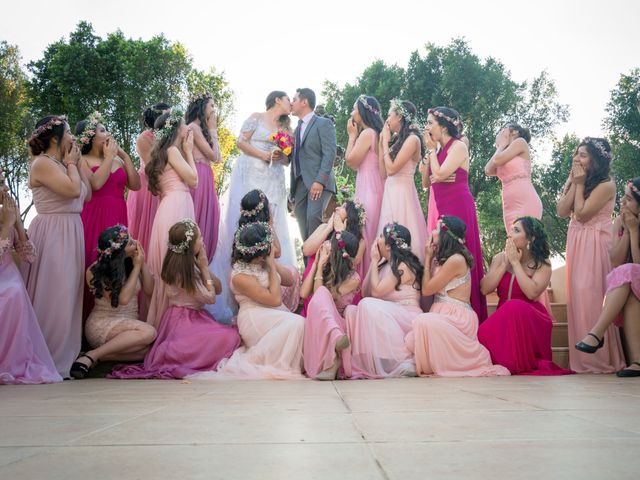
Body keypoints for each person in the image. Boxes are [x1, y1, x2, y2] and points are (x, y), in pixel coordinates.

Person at [111, 219, 240, 379]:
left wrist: (201, 266)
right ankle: (178, 354)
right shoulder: (180, 272)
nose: (203, 240)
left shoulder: (192, 263)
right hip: (183, 322)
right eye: (199, 238)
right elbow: (211, 297)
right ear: (190, 245)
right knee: (230, 337)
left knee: (231, 334)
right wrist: (205, 268)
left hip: (196, 319)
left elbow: (218, 288)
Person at [207, 92, 296, 323]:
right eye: (288, 100)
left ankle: (272, 287)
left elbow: (288, 160)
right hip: (253, 173)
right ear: (277, 100)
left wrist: (280, 155)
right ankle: (244, 292)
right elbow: (240, 142)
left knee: (272, 220)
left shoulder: (286, 128)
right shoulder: (256, 117)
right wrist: (264, 154)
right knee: (249, 219)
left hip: (273, 176)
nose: (291, 104)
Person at [23, 115, 92, 378]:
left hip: (72, 230)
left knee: (69, 295)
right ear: (54, 138)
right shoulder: (42, 163)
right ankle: (47, 355)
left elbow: (87, 192)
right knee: (55, 293)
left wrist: (76, 163)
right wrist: (72, 164)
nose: (72, 138)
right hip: (53, 233)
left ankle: (64, 355)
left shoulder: (62, 163)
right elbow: (72, 191)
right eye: (68, 133)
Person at [191, 222, 305, 380]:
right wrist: (271, 266)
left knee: (300, 324)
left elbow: (289, 280)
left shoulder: (263, 262)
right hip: (255, 317)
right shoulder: (239, 276)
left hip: (274, 315)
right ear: (258, 251)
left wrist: (272, 263)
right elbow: (275, 299)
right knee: (297, 323)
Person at [407, 216, 510, 377]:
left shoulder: (456, 260)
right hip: (441, 313)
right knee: (412, 339)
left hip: (458, 318)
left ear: (445, 235)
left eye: (436, 228)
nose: (433, 231)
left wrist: (427, 258)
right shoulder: (441, 259)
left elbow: (426, 290)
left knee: (422, 322)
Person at [557, 137, 625, 373]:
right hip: (576, 239)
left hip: (596, 241)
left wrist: (580, 182)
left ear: (596, 160)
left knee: (592, 295)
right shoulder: (577, 178)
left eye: (583, 155)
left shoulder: (607, 184)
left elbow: (584, 213)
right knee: (577, 295)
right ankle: (582, 359)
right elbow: (562, 210)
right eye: (576, 153)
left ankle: (600, 358)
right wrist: (576, 183)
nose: (576, 158)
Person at [478, 217, 573, 375]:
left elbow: (532, 293)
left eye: (516, 230)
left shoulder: (543, 264)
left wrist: (516, 263)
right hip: (504, 317)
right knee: (482, 332)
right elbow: (484, 289)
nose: (509, 234)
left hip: (530, 318)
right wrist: (505, 264)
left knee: (514, 305)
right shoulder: (499, 258)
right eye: (511, 229)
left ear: (531, 238)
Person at [422, 107, 487, 322]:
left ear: (443, 125)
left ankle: (469, 315)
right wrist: (430, 158)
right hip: (441, 208)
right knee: (441, 254)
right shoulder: (438, 151)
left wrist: (434, 159)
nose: (427, 127)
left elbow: (439, 174)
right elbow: (426, 183)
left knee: (461, 252)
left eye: (430, 122)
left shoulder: (458, 146)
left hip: (458, 206)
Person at [76, 111, 141, 319]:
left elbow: (136, 185)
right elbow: (95, 184)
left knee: (119, 260)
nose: (108, 132)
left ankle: (115, 316)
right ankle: (86, 320)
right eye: (102, 130)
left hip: (118, 214)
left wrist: (124, 156)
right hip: (94, 215)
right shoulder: (82, 160)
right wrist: (110, 157)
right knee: (92, 258)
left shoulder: (118, 161)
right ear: (91, 138)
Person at [70, 225, 156, 379]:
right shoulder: (94, 271)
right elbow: (122, 300)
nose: (135, 242)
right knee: (150, 332)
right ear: (119, 251)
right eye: (130, 242)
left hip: (128, 327)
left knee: (148, 350)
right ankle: (92, 354)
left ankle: (98, 357)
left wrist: (141, 263)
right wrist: (137, 268)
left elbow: (150, 290)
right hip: (103, 324)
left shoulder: (132, 261)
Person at [575, 178, 640, 377]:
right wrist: (627, 230)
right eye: (623, 197)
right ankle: (638, 361)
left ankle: (597, 332)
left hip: (635, 273)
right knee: (627, 288)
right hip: (634, 282)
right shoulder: (620, 222)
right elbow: (615, 261)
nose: (622, 203)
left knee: (628, 271)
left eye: (628, 199)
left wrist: (635, 230)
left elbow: (637, 265)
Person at [0, 175, 62, 385]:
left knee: (15, 292)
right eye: (0, 183)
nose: (6, 188)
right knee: (10, 293)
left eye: (4, 182)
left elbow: (29, 257)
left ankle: (13, 362)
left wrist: (17, 224)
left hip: (8, 274)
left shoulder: (7, 213)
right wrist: (6, 224)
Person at [205, 189, 300, 322]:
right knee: (291, 274)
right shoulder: (260, 233)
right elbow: (277, 252)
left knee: (290, 274)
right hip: (257, 283)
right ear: (265, 210)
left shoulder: (242, 232)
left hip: (258, 275)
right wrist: (270, 224)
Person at [343, 223, 423, 378]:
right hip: (391, 313)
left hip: (407, 316)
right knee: (352, 311)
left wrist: (373, 261)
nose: (376, 240)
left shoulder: (404, 265)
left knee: (367, 305)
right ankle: (364, 361)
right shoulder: (385, 264)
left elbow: (377, 291)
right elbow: (366, 292)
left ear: (388, 245)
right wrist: (376, 263)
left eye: (380, 237)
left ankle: (404, 358)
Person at [145, 109, 198, 328]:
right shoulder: (174, 151)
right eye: (185, 124)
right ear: (177, 128)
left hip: (167, 207)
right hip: (178, 205)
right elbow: (193, 179)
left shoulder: (161, 153)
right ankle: (175, 325)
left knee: (170, 262)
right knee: (178, 262)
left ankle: (167, 322)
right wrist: (188, 150)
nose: (188, 128)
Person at [301, 230, 361, 380]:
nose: (327, 243)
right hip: (322, 323)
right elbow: (304, 294)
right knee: (321, 293)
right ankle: (335, 341)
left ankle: (334, 357)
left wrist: (320, 268)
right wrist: (317, 264)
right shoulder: (325, 265)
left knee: (322, 292)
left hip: (339, 322)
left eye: (331, 241)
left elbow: (323, 294)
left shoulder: (353, 278)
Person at [377, 99, 427, 262]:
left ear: (399, 117)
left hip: (402, 195)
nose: (387, 119)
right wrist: (381, 144)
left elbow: (392, 169)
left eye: (389, 114)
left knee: (402, 231)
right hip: (390, 192)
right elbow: (384, 173)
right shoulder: (398, 140)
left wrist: (385, 143)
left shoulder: (413, 140)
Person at [299, 200, 365, 316]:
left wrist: (341, 232)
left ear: (351, 216)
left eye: (343, 207)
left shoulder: (359, 241)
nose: (337, 208)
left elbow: (352, 263)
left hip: (337, 282)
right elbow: (306, 250)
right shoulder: (324, 227)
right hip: (314, 274)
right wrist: (329, 229)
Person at [290, 87, 337, 241]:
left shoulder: (323, 123)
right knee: (303, 226)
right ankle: (309, 264)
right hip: (300, 184)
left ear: (304, 102)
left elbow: (330, 153)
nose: (291, 103)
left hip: (318, 182)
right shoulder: (296, 130)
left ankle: (320, 264)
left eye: (294, 99)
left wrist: (320, 180)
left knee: (314, 220)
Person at [345, 94, 385, 275]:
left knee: (365, 236)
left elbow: (350, 160)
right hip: (376, 189)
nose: (352, 112)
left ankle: (364, 284)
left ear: (362, 112)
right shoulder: (377, 134)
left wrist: (351, 136)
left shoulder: (367, 133)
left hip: (368, 191)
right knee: (372, 234)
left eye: (354, 108)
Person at [127, 102, 170, 254]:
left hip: (165, 185)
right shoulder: (143, 138)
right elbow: (152, 166)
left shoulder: (168, 137)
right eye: (168, 115)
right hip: (146, 187)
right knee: (144, 226)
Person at [485, 123, 543, 232]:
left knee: (526, 238)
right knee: (512, 241)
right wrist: (501, 147)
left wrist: (501, 145)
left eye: (504, 128)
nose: (501, 131)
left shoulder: (520, 142)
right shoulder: (503, 153)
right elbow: (488, 170)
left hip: (525, 200)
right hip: (509, 204)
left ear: (515, 131)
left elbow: (497, 160)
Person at [186, 93, 222, 258]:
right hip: (199, 174)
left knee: (210, 215)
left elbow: (218, 158)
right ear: (202, 107)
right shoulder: (193, 127)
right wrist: (213, 129)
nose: (214, 109)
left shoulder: (202, 129)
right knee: (199, 215)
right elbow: (213, 156)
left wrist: (211, 130)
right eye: (212, 106)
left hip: (207, 175)